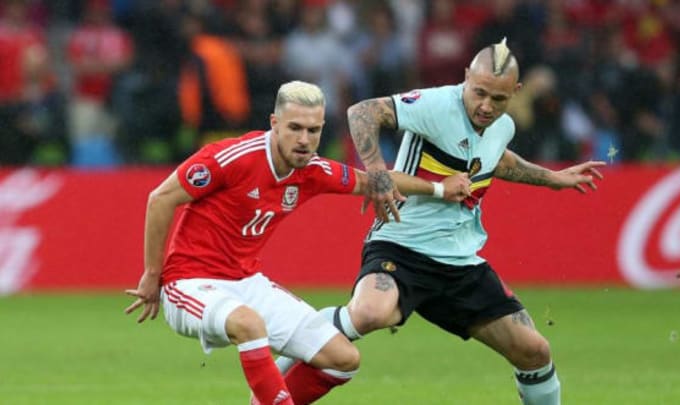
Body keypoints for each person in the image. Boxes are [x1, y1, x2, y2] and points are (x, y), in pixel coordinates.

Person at [276, 38, 606, 404]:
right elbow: (362, 112)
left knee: (535, 351)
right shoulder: (436, 104)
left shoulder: (502, 126)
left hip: (461, 263)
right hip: (402, 245)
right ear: (466, 77)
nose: (485, 106)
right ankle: (299, 338)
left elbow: (498, 160)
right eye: (479, 93)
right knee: (370, 313)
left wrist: (553, 178)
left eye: (498, 99)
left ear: (515, 91)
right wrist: (379, 175)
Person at [124, 80, 471, 405]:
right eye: (295, 128)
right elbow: (161, 198)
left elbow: (374, 181)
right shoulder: (232, 157)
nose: (304, 140)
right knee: (249, 324)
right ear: (275, 123)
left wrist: (439, 189)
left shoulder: (312, 170)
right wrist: (153, 274)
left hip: (247, 283)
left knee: (343, 359)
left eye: (313, 130)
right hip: (191, 283)